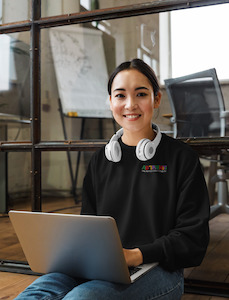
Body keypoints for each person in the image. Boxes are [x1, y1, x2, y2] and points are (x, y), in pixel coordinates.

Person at [15, 59, 210, 299]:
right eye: (120, 95)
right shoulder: (100, 161)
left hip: (159, 269)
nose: (130, 104)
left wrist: (135, 255)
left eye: (141, 94)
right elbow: (88, 227)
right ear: (110, 102)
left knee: (81, 298)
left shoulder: (182, 158)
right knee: (33, 294)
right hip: (98, 266)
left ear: (156, 99)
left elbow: (193, 239)